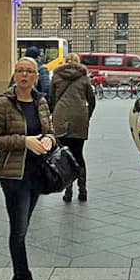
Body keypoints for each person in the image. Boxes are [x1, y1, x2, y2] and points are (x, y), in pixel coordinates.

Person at [0, 57, 55, 280]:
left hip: (37, 174)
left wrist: (49, 140)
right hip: (14, 175)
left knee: (22, 228)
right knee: (19, 231)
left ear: (36, 77)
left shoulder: (41, 101)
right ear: (14, 75)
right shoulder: (3, 104)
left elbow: (50, 131)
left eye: (29, 71)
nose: (24, 75)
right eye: (20, 71)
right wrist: (23, 141)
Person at [49, 53, 95, 202]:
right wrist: (87, 116)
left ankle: (67, 192)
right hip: (79, 118)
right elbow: (92, 100)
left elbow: (51, 98)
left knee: (64, 154)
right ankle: (83, 191)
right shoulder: (84, 77)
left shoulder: (56, 76)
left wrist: (54, 113)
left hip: (61, 117)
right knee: (79, 154)